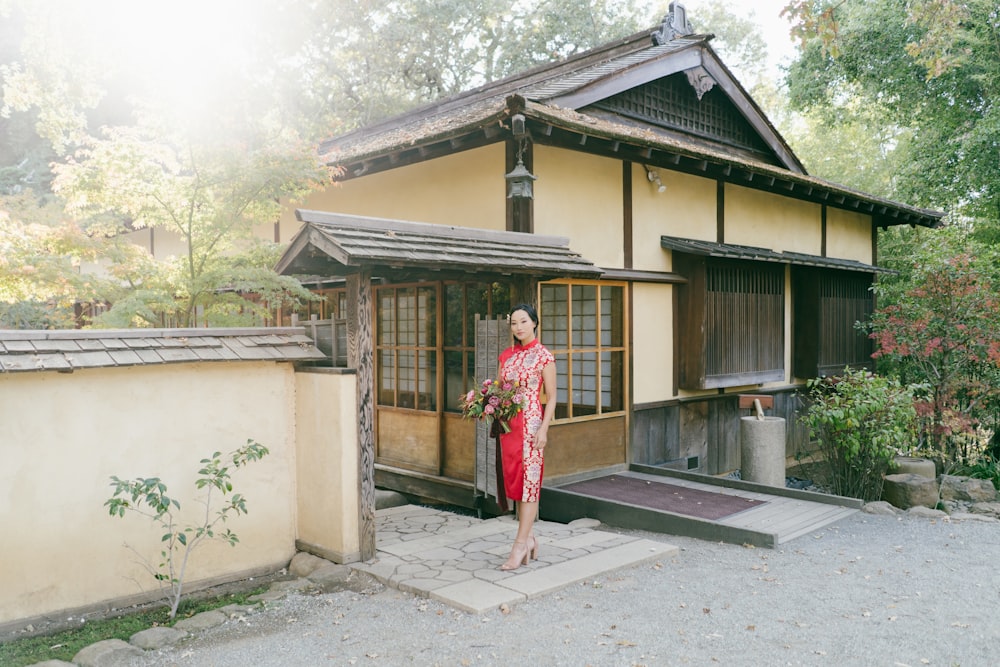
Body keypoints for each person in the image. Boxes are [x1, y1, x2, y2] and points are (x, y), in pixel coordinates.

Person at [497, 303, 557, 571]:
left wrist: (544, 428)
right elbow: (499, 391)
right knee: (517, 483)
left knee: (530, 484)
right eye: (513, 323)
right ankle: (530, 538)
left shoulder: (544, 356)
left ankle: (519, 545)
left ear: (534, 322)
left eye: (523, 321)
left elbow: (552, 396)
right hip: (509, 428)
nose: (518, 327)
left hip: (532, 426)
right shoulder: (506, 356)